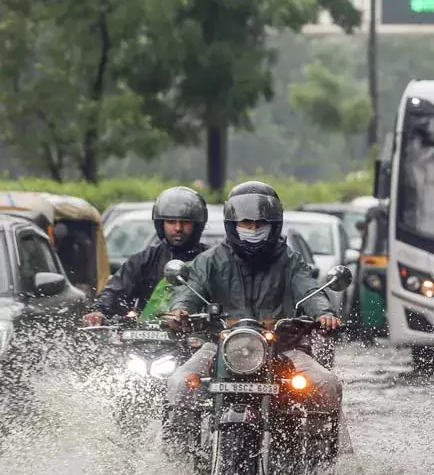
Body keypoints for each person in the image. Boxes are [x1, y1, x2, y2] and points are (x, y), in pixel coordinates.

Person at [163, 181, 343, 447]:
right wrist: (180, 311)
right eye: (246, 223)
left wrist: (324, 314)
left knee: (326, 384)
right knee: (179, 383)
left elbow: (310, 290)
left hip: (282, 348)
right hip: (219, 346)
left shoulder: (290, 260)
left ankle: (321, 461)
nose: (254, 229)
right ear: (233, 224)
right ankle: (179, 456)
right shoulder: (210, 260)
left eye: (261, 224)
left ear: (274, 224)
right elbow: (190, 291)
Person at [84, 186, 211, 325]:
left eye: (185, 222)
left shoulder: (210, 261)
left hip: (198, 339)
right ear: (160, 224)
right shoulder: (144, 260)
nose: (178, 228)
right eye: (171, 222)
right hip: (146, 339)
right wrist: (100, 311)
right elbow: (116, 291)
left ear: (197, 225)